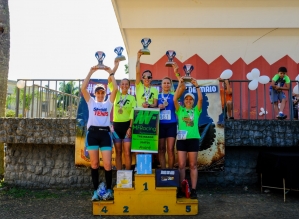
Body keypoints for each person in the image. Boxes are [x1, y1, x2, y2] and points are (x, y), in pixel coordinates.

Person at [81, 61, 118, 201]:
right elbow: (83, 88)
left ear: (104, 93)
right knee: (95, 164)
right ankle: (96, 191)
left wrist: (110, 73)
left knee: (108, 164)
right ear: (95, 93)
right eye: (98, 92)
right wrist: (91, 72)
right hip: (93, 134)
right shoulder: (91, 102)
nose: (101, 94)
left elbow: (115, 89)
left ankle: (109, 190)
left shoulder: (108, 103)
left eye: (102, 92)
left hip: (105, 135)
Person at [173, 77, 203, 199]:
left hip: (193, 139)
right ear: (184, 101)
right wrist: (180, 84)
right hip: (181, 140)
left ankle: (194, 189)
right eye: (186, 99)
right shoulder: (180, 111)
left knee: (193, 165)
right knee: (181, 165)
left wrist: (197, 86)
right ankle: (182, 188)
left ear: (193, 101)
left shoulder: (196, 111)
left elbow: (200, 98)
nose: (189, 100)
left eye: (191, 99)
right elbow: (174, 99)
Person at [108, 76, 136, 170]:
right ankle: (119, 176)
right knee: (118, 152)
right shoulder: (116, 94)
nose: (124, 86)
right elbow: (109, 80)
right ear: (120, 85)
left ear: (129, 86)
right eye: (122, 84)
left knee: (127, 152)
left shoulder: (132, 98)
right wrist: (113, 70)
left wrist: (130, 127)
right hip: (116, 127)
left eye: (126, 84)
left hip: (127, 126)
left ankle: (128, 175)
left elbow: (133, 114)